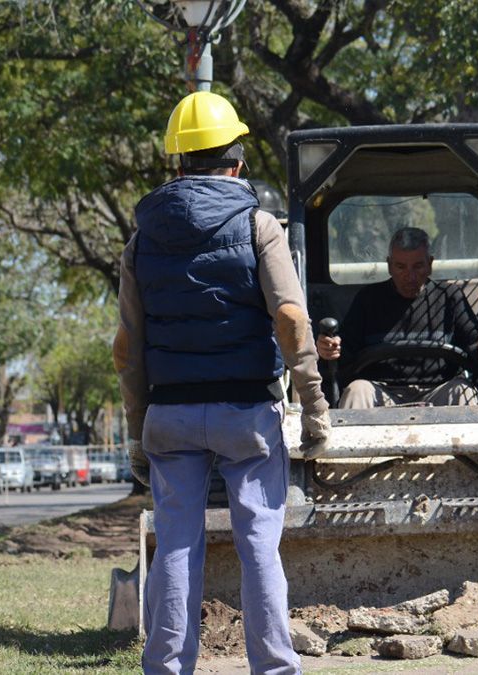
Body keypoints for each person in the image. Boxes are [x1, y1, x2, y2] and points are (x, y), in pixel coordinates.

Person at [113, 90, 329, 675]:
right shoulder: (260, 226)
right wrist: (315, 410)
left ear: (177, 165)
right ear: (237, 162)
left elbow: (127, 350)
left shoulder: (140, 242)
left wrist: (138, 432)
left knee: (177, 544)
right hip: (245, 414)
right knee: (259, 541)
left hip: (171, 415)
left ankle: (165, 668)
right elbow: (289, 319)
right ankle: (275, 669)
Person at [315, 227, 478, 408]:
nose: (410, 276)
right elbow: (344, 351)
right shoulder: (368, 299)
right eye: (400, 267)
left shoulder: (450, 297)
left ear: (430, 265)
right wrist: (329, 349)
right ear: (389, 266)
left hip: (439, 389)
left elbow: (476, 348)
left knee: (464, 392)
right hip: (380, 391)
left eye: (418, 266)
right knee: (356, 392)